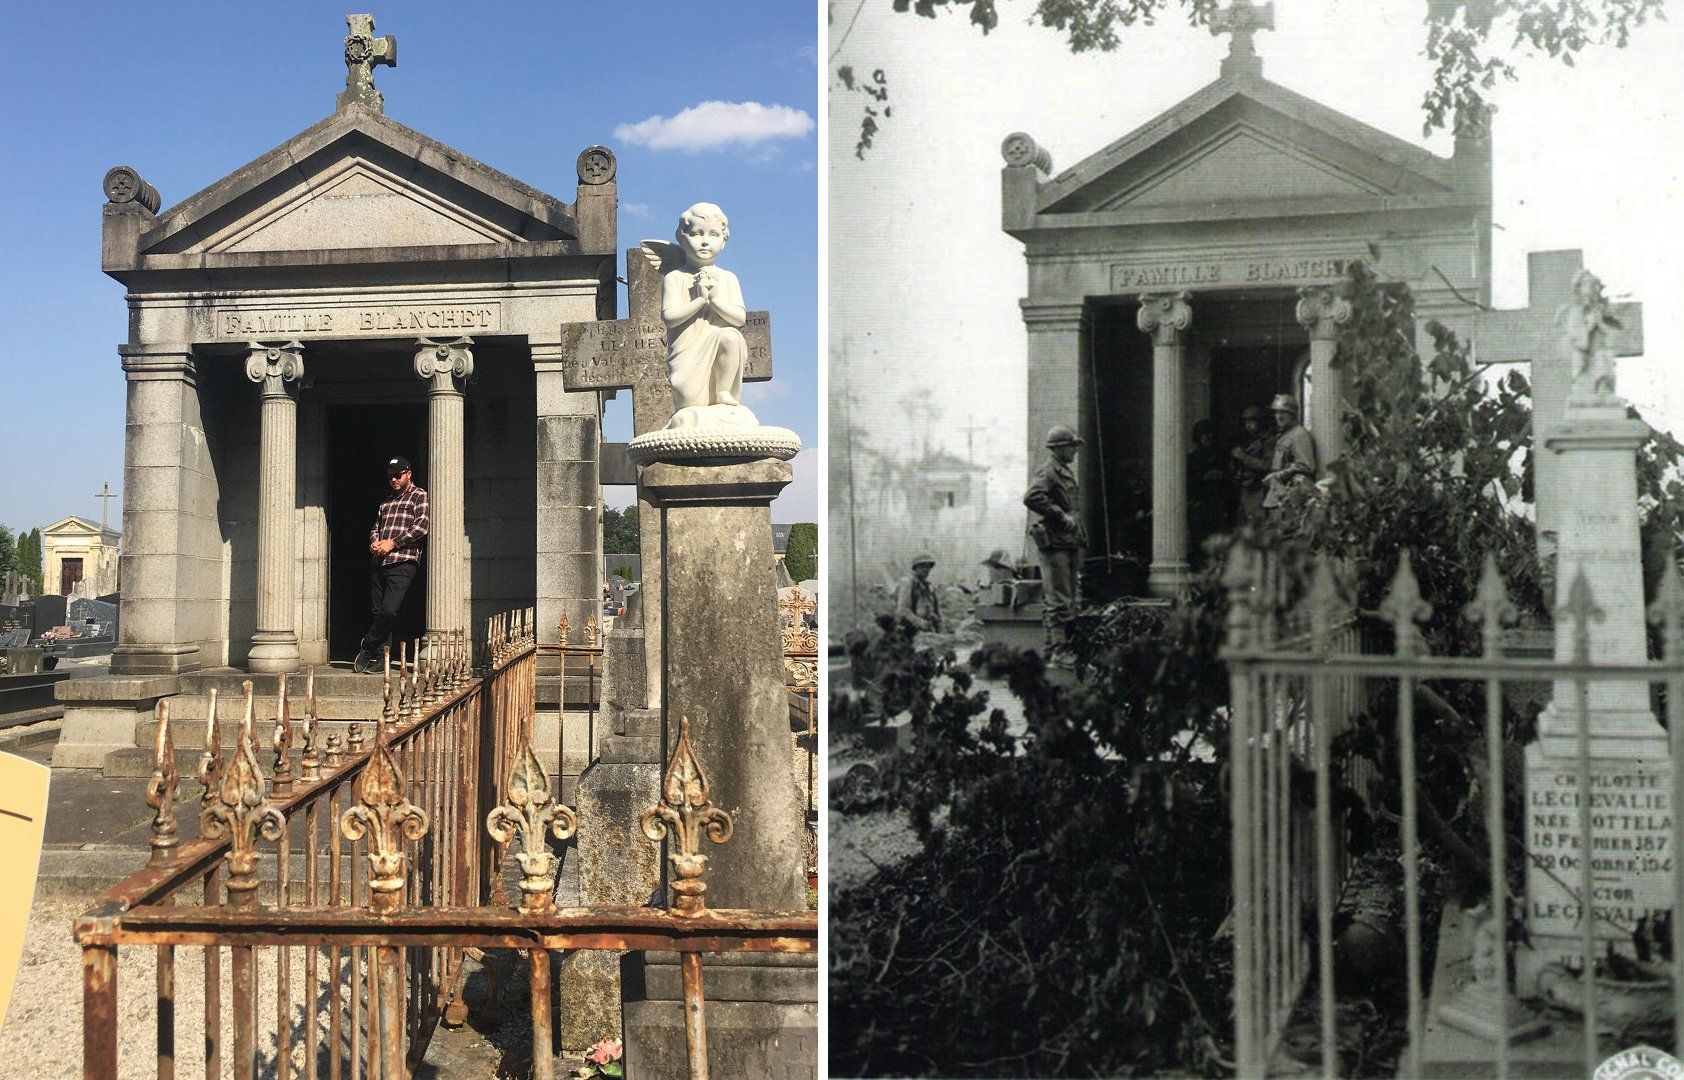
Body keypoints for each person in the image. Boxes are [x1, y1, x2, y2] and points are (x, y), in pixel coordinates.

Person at [354, 456, 428, 673]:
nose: (394, 479)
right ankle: (380, 659)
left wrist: (393, 543)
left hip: (403, 561)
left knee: (389, 610)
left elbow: (421, 527)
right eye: (390, 476)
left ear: (408, 474)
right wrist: (374, 542)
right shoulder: (386, 501)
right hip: (380, 561)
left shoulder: (419, 496)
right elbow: (375, 527)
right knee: (378, 612)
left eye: (398, 475)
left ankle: (368, 644)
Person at [1024, 425, 1087, 658]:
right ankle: (1061, 651)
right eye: (1071, 446)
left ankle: (1051, 649)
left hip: (1067, 541)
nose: (1075, 451)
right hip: (1056, 543)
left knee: (1067, 597)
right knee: (1060, 599)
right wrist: (1060, 515)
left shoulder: (1063, 471)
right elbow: (1031, 497)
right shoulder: (1048, 471)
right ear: (1058, 448)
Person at [1261, 394, 1319, 512]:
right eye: (1277, 412)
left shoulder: (1299, 435)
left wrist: (1278, 475)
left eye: (1284, 413)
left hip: (1291, 496)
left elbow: (1306, 465)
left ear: (1293, 414)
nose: (1279, 416)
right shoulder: (1285, 435)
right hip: (1278, 494)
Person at [1230, 405, 1274, 527]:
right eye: (1246, 422)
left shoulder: (1268, 441)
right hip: (1246, 488)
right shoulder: (1250, 440)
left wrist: (1243, 457)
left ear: (1261, 422)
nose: (1248, 425)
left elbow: (1267, 465)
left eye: (1252, 421)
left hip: (1259, 489)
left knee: (1256, 526)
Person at [892, 554, 942, 630]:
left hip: (925, 629)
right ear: (915, 568)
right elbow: (902, 610)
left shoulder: (928, 587)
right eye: (922, 566)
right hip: (908, 629)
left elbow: (934, 610)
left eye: (928, 567)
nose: (926, 569)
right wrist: (920, 622)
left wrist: (935, 618)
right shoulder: (907, 583)